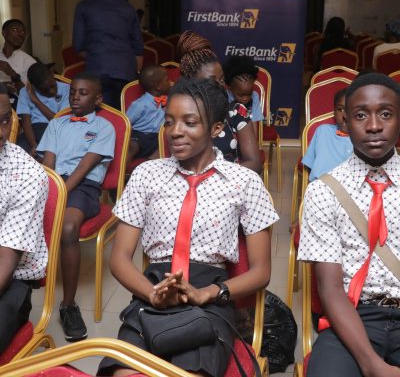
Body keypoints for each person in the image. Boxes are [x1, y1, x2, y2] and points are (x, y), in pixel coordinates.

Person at [97, 78, 278, 376]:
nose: (175, 131)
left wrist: (207, 294)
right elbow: (119, 259)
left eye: (189, 122)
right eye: (170, 121)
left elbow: (261, 272)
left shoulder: (244, 182)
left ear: (216, 129)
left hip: (210, 299)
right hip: (152, 291)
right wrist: (153, 294)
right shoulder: (146, 175)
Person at [298, 72, 400, 377]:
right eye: (360, 115)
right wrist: (372, 365)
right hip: (353, 316)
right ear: (345, 120)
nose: (374, 126)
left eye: (386, 114)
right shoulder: (323, 191)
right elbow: (330, 289)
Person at [37, 72, 116, 342]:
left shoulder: (104, 127)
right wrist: (44, 192)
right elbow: (48, 163)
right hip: (54, 182)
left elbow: (84, 167)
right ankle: (21, 290)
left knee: (68, 228)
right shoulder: (57, 124)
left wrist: (58, 195)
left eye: (83, 93)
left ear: (98, 99)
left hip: (83, 187)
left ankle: (68, 306)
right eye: (72, 92)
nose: (75, 97)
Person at [0, 82, 48, 354]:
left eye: (5, 120)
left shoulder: (27, 175)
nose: (1, 132)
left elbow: (6, 261)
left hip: (11, 277)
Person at [177, 30, 262, 174]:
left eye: (222, 79)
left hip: (229, 185)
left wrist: (215, 179)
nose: (220, 85)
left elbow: (255, 163)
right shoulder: (178, 117)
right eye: (211, 80)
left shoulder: (237, 112)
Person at [72, 0, 144, 110]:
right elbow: (138, 49)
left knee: (103, 116)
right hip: (126, 71)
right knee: (125, 115)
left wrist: (97, 55)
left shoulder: (83, 6)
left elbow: (79, 46)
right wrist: (135, 74)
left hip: (98, 71)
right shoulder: (128, 7)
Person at [16, 63, 70, 157]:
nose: (52, 91)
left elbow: (58, 122)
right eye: (46, 90)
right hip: (31, 132)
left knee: (50, 155)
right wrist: (34, 146)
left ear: (52, 75)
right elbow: (26, 122)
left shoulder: (66, 89)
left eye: (52, 86)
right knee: (18, 152)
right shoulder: (24, 92)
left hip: (54, 129)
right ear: (34, 87)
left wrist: (36, 100)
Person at [302, 88, 353, 182]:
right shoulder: (323, 131)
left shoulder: (365, 139)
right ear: (334, 112)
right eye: (340, 109)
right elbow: (310, 166)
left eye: (351, 110)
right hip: (320, 185)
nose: (345, 116)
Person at [126, 64, 171, 162]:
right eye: (167, 80)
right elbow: (125, 123)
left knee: (166, 144)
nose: (170, 82)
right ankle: (121, 169)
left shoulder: (169, 101)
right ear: (158, 86)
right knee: (133, 145)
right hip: (139, 135)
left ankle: (147, 165)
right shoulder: (139, 104)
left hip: (157, 137)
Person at [223, 55, 264, 136]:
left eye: (249, 94)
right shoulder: (224, 97)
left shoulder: (254, 97)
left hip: (247, 136)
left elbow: (254, 123)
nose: (245, 98)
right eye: (240, 95)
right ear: (230, 88)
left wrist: (254, 142)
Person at [0, 19, 36, 105]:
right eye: (15, 30)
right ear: (4, 33)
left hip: (17, 106)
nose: (20, 34)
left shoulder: (29, 62)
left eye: (23, 31)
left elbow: (32, 96)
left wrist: (12, 73)